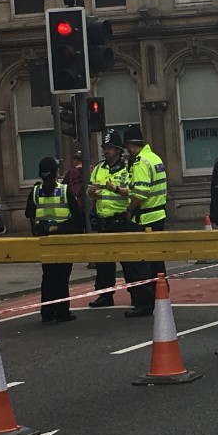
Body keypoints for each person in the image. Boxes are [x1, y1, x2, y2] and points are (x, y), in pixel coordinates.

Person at [26, 157, 82, 323]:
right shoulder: (64, 191)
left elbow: (29, 213)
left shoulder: (35, 191)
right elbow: (77, 216)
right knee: (62, 277)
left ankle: (47, 312)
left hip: (44, 240)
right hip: (63, 240)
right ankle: (62, 312)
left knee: (48, 276)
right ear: (56, 172)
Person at [122, 124, 168, 318]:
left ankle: (145, 303)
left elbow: (140, 193)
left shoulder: (141, 162)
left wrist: (130, 209)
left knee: (141, 262)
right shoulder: (155, 158)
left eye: (127, 148)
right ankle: (162, 297)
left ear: (132, 146)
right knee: (157, 262)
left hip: (145, 218)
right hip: (158, 215)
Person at [87, 130, 132, 308]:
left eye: (109, 148)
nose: (106, 151)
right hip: (103, 221)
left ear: (118, 150)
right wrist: (91, 193)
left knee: (129, 262)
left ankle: (136, 294)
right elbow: (92, 191)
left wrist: (115, 189)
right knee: (104, 262)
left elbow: (133, 191)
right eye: (104, 148)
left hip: (121, 220)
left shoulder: (128, 168)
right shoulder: (99, 168)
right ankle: (105, 296)